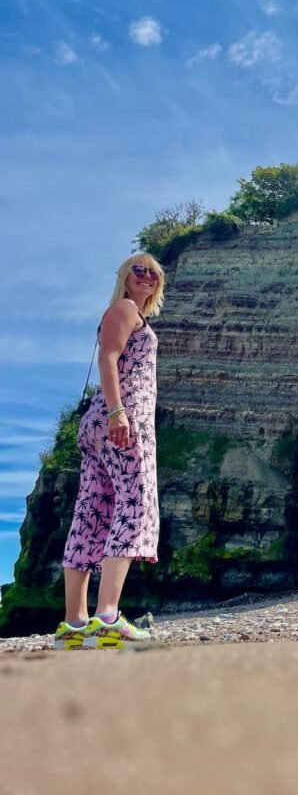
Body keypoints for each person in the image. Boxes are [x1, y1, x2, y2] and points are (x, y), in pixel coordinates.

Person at [54, 253, 165, 649]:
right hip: (123, 419)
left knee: (93, 510)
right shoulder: (124, 308)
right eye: (140, 270)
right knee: (134, 505)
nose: (147, 276)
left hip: (104, 423)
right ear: (125, 276)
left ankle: (74, 624)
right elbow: (109, 357)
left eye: (154, 272)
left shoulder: (129, 312)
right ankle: (107, 616)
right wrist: (119, 413)